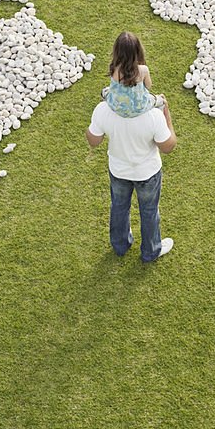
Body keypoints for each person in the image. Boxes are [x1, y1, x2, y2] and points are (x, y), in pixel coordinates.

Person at [86, 32, 178, 262]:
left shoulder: (103, 110)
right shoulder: (154, 116)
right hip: (147, 172)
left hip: (119, 170)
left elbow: (93, 141)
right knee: (148, 212)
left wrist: (94, 125)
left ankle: (120, 245)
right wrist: (167, 116)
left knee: (119, 207)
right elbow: (168, 147)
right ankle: (150, 251)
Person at [100, 32, 166, 118]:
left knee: (105, 91)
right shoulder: (143, 70)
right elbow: (148, 86)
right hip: (139, 108)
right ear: (138, 50)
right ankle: (161, 123)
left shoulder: (114, 67)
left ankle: (104, 111)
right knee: (161, 100)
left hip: (116, 107)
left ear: (116, 51)